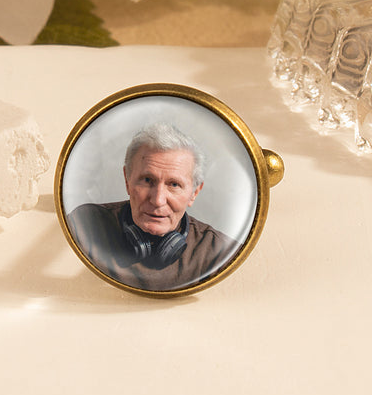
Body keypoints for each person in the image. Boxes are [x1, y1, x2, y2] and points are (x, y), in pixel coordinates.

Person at [66, 122, 242, 291]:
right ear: (127, 180)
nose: (158, 200)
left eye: (174, 185)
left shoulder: (222, 252)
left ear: (194, 192)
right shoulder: (83, 225)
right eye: (147, 180)